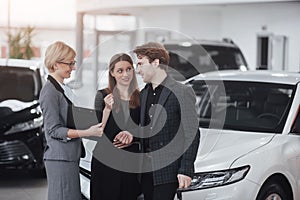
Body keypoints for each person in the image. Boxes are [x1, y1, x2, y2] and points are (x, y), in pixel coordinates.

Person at [133, 42, 200, 200]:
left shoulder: (181, 92)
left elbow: (192, 133)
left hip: (168, 171)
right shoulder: (143, 94)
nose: (138, 70)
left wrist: (186, 169)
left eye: (141, 64)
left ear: (156, 63)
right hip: (145, 171)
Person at [39, 41, 103, 200]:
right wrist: (87, 132)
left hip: (68, 157)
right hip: (60, 158)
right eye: (70, 63)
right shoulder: (50, 92)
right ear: (55, 64)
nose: (73, 68)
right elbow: (53, 130)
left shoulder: (61, 89)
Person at [90, 53, 141, 200]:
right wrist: (107, 109)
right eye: (120, 71)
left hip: (130, 163)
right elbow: (97, 131)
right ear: (112, 73)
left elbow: (145, 128)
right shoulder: (102, 95)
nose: (125, 74)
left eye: (129, 69)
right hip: (106, 162)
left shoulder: (140, 97)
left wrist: (132, 136)